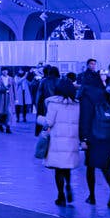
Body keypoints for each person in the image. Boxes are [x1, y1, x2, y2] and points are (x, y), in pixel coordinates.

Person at [78, 69, 110, 207]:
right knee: (106, 166)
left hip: (92, 135)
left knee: (90, 167)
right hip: (106, 134)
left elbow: (85, 117)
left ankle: (92, 196)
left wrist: (83, 138)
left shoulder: (85, 94)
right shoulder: (105, 93)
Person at [40, 78, 80, 207]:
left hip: (58, 140)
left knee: (58, 169)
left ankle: (61, 195)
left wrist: (39, 119)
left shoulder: (54, 103)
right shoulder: (77, 104)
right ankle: (68, 184)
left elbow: (48, 122)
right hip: (71, 140)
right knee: (67, 166)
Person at [0, 68, 15, 133]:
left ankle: (8, 127)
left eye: (6, 70)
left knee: (9, 112)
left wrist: (16, 98)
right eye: (3, 70)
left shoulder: (11, 79)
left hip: (9, 98)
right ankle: (0, 125)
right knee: (1, 113)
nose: (5, 72)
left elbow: (14, 89)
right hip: (1, 99)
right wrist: (6, 88)